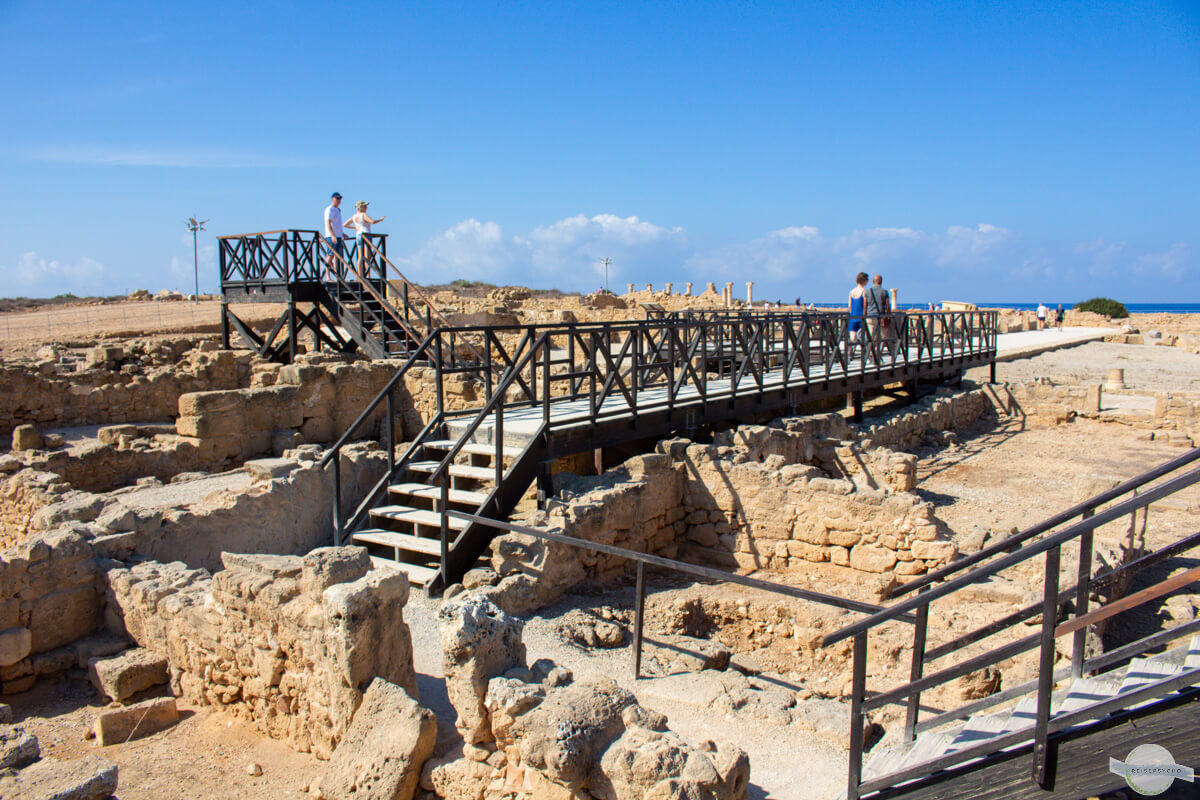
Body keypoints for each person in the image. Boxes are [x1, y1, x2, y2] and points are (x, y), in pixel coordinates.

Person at [864, 274, 894, 361]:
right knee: (883, 337)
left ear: (873, 281)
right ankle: (878, 354)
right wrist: (888, 316)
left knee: (871, 337)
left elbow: (865, 306)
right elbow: (888, 306)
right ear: (881, 282)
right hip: (881, 317)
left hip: (869, 317)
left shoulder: (867, 292)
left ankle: (870, 355)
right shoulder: (884, 292)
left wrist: (864, 315)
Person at [323, 192, 345, 276]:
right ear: (332, 199)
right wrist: (332, 235)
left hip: (338, 236)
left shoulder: (338, 210)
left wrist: (342, 233)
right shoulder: (329, 209)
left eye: (339, 199)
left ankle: (337, 276)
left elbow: (337, 224)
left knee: (337, 256)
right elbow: (328, 223)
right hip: (331, 236)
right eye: (337, 199)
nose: (339, 201)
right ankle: (327, 275)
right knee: (330, 255)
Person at [848, 272, 869, 357]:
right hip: (861, 317)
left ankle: (849, 355)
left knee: (852, 337)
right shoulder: (864, 291)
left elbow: (850, 306)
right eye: (867, 280)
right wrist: (865, 316)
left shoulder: (852, 291)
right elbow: (865, 306)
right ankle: (866, 356)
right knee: (863, 338)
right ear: (864, 281)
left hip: (853, 316)